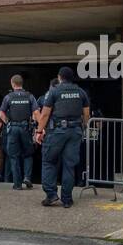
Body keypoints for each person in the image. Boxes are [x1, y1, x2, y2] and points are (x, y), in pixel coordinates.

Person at [36, 67, 90, 208]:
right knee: (69, 165)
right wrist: (82, 129)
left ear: (59, 77)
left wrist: (39, 131)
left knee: (49, 162)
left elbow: (45, 114)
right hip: (75, 132)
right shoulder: (81, 92)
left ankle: (51, 195)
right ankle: (67, 199)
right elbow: (86, 114)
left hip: (57, 132)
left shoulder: (54, 91)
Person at [0, 76, 38, 190]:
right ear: (21, 83)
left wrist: (8, 123)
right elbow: (35, 112)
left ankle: (17, 184)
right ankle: (27, 177)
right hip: (26, 128)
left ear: (12, 84)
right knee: (28, 153)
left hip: (13, 128)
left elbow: (1, 114)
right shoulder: (30, 96)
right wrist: (36, 126)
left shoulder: (8, 97)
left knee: (14, 156)